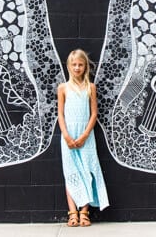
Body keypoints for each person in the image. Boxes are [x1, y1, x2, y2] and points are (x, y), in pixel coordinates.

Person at [58, 49, 109, 226]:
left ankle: (84, 211)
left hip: (86, 136)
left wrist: (85, 135)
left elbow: (94, 113)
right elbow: (60, 114)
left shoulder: (90, 87)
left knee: (86, 171)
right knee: (71, 172)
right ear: (68, 66)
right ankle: (72, 212)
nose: (77, 68)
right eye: (74, 65)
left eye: (80, 64)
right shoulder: (63, 88)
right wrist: (66, 135)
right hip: (68, 137)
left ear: (85, 66)